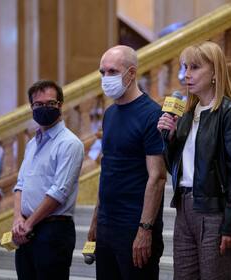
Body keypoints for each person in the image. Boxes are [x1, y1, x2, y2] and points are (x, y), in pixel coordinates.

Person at [158, 41, 231, 280]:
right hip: (184, 207)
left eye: (195, 67)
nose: (187, 74)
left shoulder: (230, 113)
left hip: (214, 211)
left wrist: (230, 224)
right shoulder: (187, 115)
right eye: (185, 67)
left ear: (215, 73)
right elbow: (175, 169)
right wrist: (168, 139)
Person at [87, 45, 166, 280]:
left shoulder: (152, 114)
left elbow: (158, 177)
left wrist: (145, 230)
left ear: (131, 73)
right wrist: (95, 220)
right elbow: (108, 169)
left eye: (112, 71)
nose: (106, 78)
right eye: (102, 72)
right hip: (107, 224)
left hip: (134, 226)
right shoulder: (110, 114)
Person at [12, 80, 84, 280]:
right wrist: (18, 219)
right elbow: (20, 185)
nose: (44, 108)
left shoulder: (70, 144)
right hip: (27, 230)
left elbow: (58, 192)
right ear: (31, 107)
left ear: (60, 105)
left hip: (53, 231)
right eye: (38, 104)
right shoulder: (31, 144)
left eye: (50, 103)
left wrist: (29, 224)